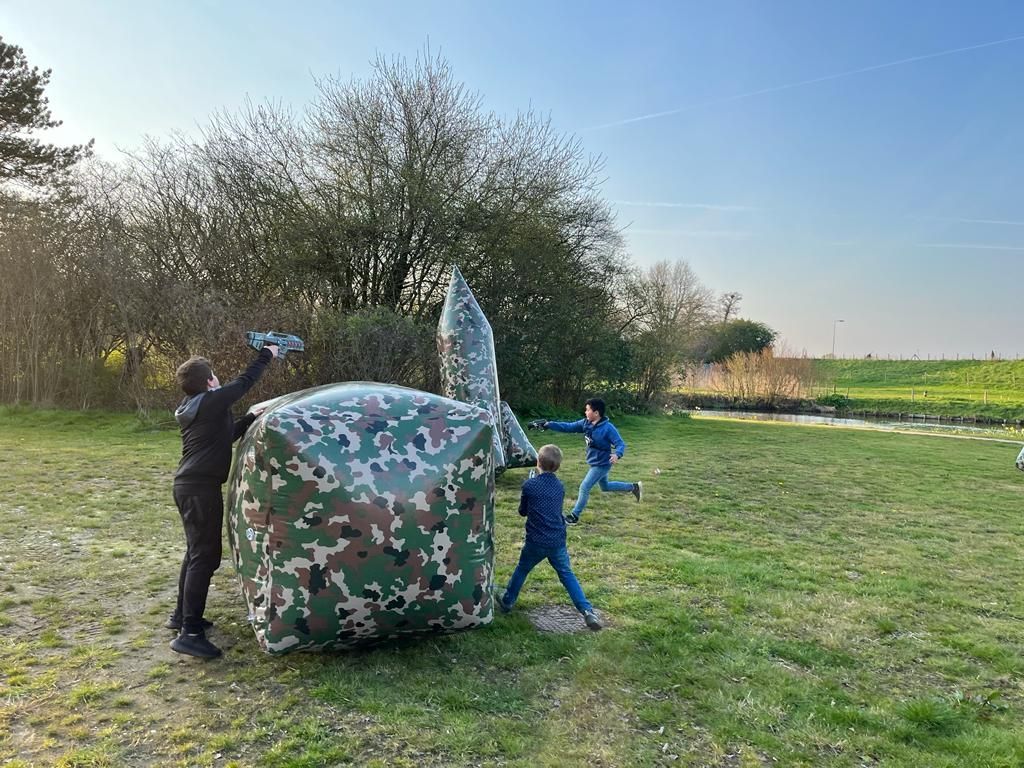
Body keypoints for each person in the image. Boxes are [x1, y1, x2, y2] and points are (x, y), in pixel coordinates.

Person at [168, 344, 278, 658]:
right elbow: (244, 382)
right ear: (209, 382)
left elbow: (222, 436)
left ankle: (182, 617)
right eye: (215, 376)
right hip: (199, 489)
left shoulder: (196, 406)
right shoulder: (211, 401)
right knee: (206, 556)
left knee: (196, 553)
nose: (218, 380)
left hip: (190, 486)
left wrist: (247, 419)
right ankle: (189, 633)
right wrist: (267, 354)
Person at [498, 444, 602, 630]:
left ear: (538, 462)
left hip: (535, 541)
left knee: (522, 569)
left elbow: (523, 511)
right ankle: (587, 611)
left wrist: (528, 486)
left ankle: (507, 601)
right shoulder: (559, 486)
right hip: (557, 540)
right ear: (558, 467)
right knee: (567, 574)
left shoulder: (530, 485)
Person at [531, 398, 641, 524]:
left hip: (602, 464)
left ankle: (574, 516)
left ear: (596, 413)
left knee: (584, 487)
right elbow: (568, 427)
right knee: (605, 487)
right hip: (594, 461)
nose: (585, 412)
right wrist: (549, 424)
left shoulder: (608, 428)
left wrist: (617, 454)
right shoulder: (585, 423)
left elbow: (620, 444)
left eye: (588, 410)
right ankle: (634, 487)